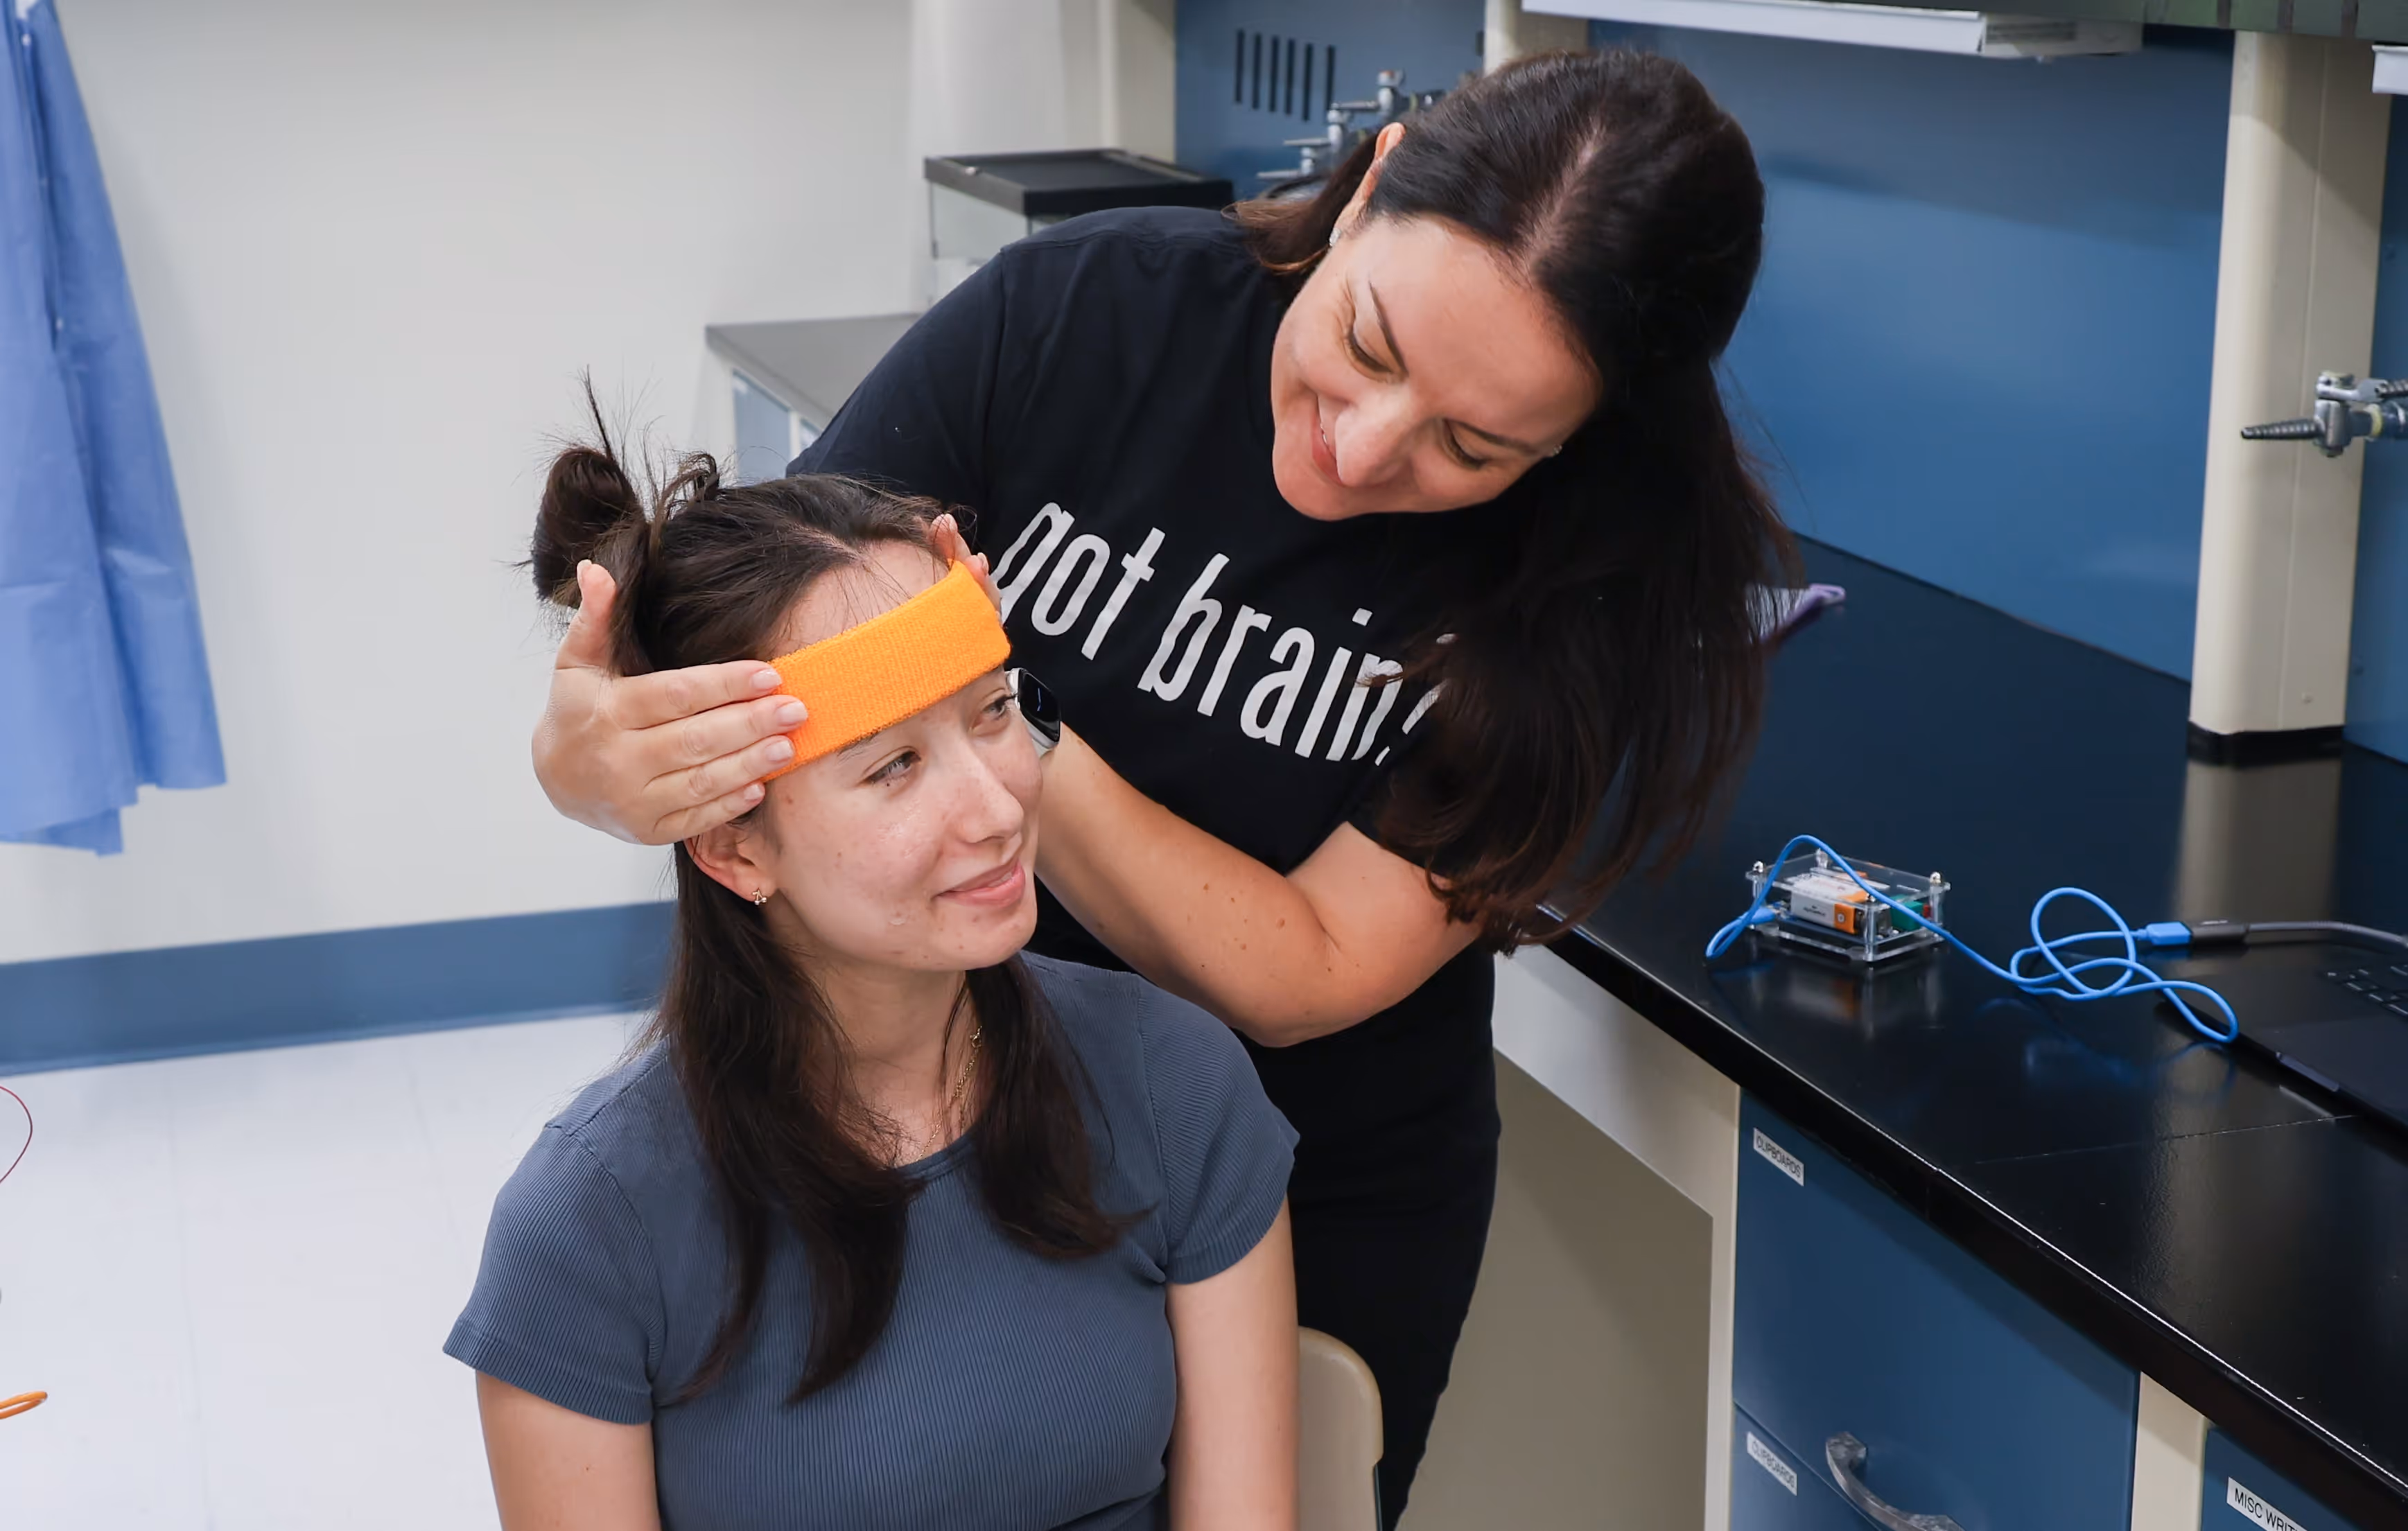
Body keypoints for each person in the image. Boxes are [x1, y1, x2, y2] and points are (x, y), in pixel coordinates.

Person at [530, 49, 1791, 1521]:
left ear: (1584, 441)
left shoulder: (1591, 599)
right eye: (1369, 345)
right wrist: (596, 752)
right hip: (901, 1118)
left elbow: (1298, 967)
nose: (1360, 448)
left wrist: (978, 719)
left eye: (1474, 444)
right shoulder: (1082, 314)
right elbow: (762, 638)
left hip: (1299, 1175)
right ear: (1368, 188)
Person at [451, 434, 1299, 1531]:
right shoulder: (588, 1231)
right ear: (732, 850)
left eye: (993, 712)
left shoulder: (1174, 1087)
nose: (997, 809)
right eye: (893, 765)